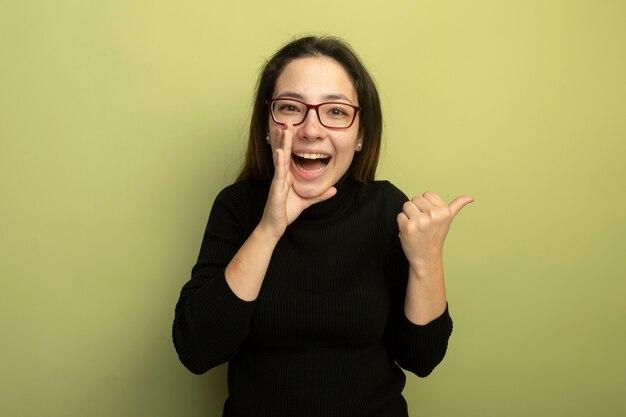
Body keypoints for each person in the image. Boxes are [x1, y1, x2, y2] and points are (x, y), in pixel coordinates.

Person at [172, 35, 474, 417]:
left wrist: (427, 260)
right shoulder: (237, 207)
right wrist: (268, 229)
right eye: (290, 108)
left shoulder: (387, 209)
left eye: (335, 111)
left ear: (361, 134)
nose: (311, 129)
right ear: (267, 127)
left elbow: (422, 357)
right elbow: (196, 350)